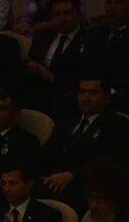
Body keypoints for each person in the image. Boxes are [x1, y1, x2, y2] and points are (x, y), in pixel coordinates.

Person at [38, 77, 129, 213]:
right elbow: (48, 152)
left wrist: (73, 174)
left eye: (93, 93)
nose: (86, 98)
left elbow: (111, 162)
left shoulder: (117, 125)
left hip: (88, 187)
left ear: (107, 97)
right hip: (55, 182)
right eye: (82, 92)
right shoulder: (67, 122)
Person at [24, 0, 94, 115]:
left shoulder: (89, 40)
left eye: (67, 13)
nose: (62, 19)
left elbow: (84, 77)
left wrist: (52, 78)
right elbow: (31, 61)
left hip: (69, 98)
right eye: (57, 14)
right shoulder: (43, 38)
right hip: (38, 94)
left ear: (78, 14)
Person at [16, 0, 86, 36]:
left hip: (69, 34)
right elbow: (27, 16)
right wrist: (24, 24)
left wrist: (51, 25)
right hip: (39, 36)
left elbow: (79, 18)